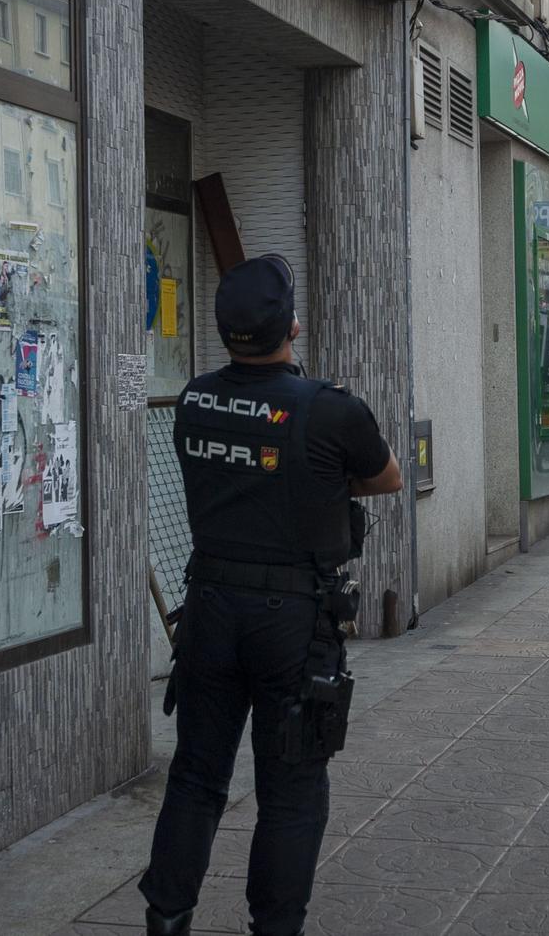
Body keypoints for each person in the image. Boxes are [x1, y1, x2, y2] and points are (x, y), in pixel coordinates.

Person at [140, 255, 403, 936]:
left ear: (226, 332)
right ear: (292, 324)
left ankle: (167, 916)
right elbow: (388, 477)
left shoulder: (194, 399)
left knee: (197, 776)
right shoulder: (329, 409)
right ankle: (275, 926)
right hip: (292, 619)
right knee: (290, 790)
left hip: (210, 610)